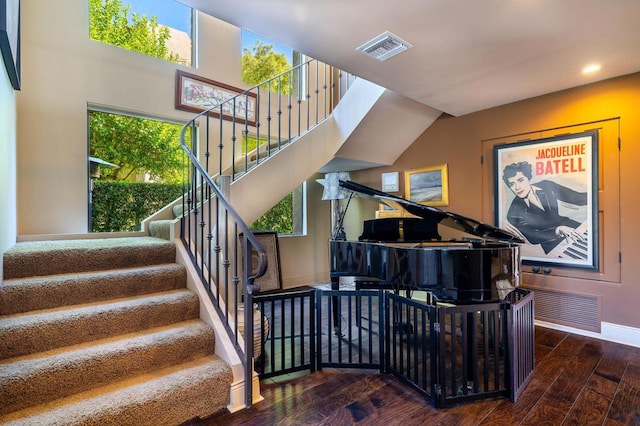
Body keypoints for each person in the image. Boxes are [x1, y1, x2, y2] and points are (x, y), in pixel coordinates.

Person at [502, 161, 587, 254]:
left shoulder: (547, 185)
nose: (517, 187)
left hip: (570, 226)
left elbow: (576, 198)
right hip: (551, 243)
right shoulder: (513, 213)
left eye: (520, 180)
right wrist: (558, 230)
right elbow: (533, 237)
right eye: (512, 184)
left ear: (528, 178)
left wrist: (596, 196)